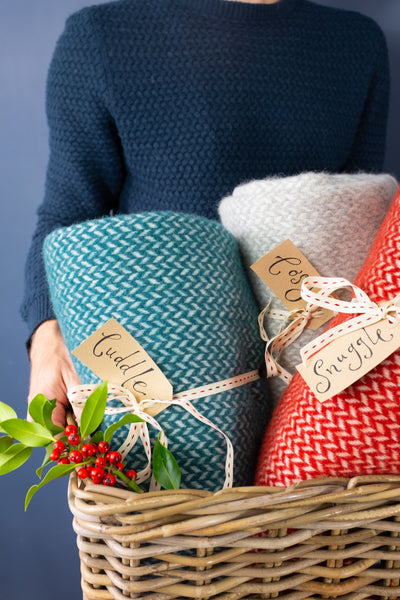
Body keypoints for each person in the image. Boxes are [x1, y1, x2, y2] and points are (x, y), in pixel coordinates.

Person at [21, 0, 390, 426]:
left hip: (309, 367)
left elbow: (362, 230)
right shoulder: (102, 39)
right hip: (165, 378)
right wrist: (47, 337)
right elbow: (68, 216)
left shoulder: (356, 44)